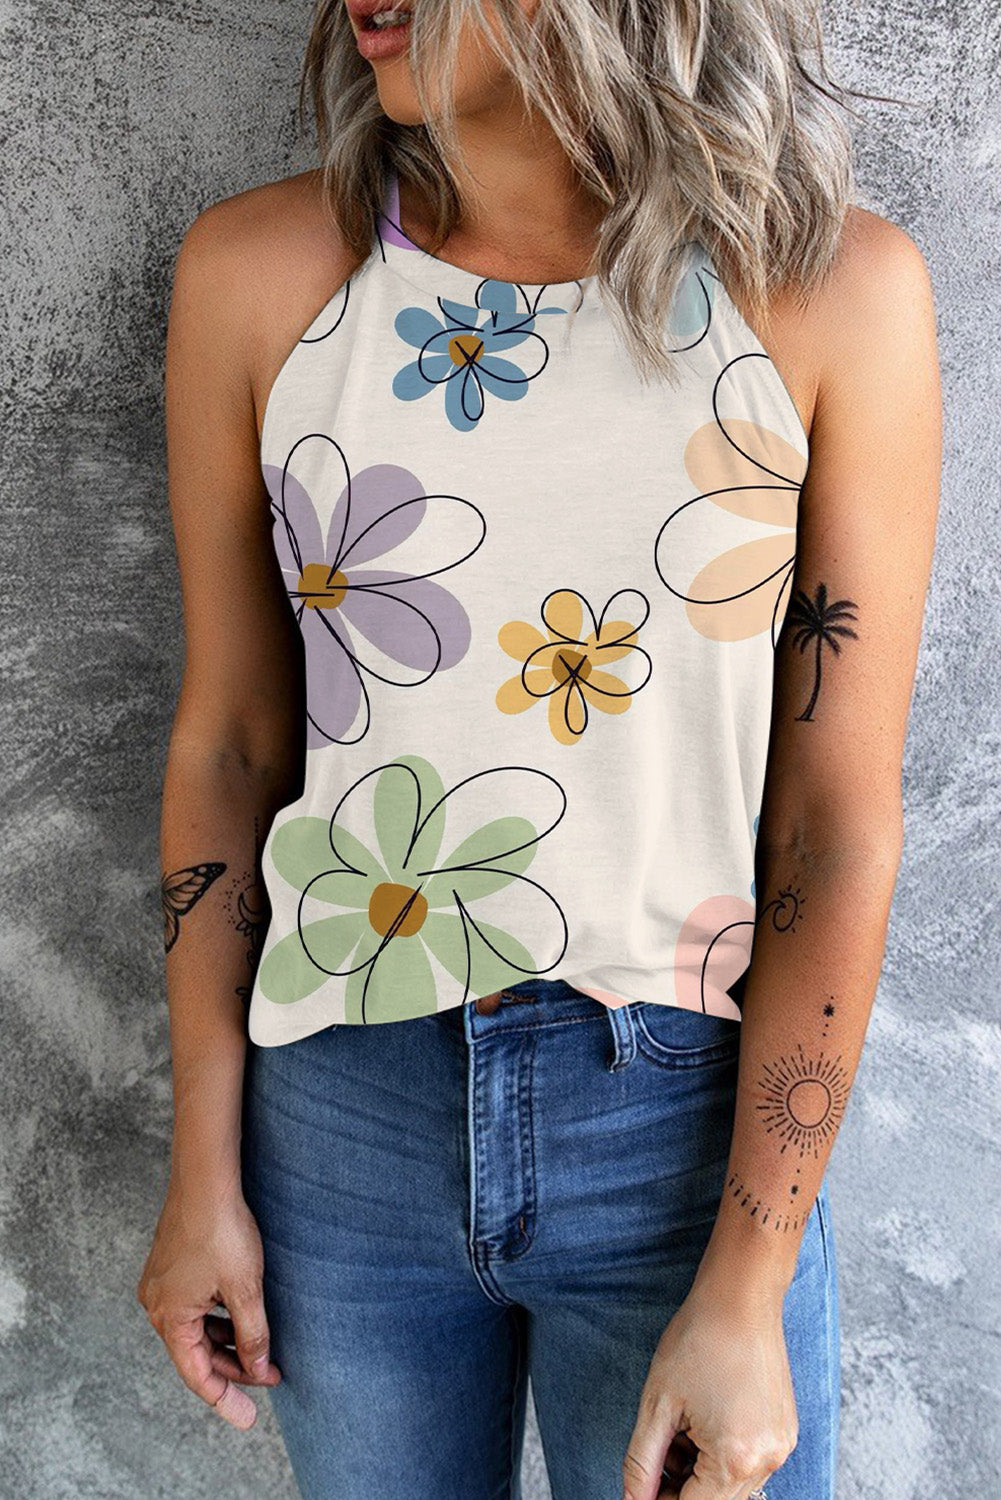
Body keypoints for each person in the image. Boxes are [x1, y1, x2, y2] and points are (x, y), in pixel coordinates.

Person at [136, 3, 941, 1498]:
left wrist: (753, 1280)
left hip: (685, 1135)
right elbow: (231, 747)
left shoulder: (826, 297)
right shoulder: (260, 278)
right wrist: (202, 1169)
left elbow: (833, 831)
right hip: (342, 1120)